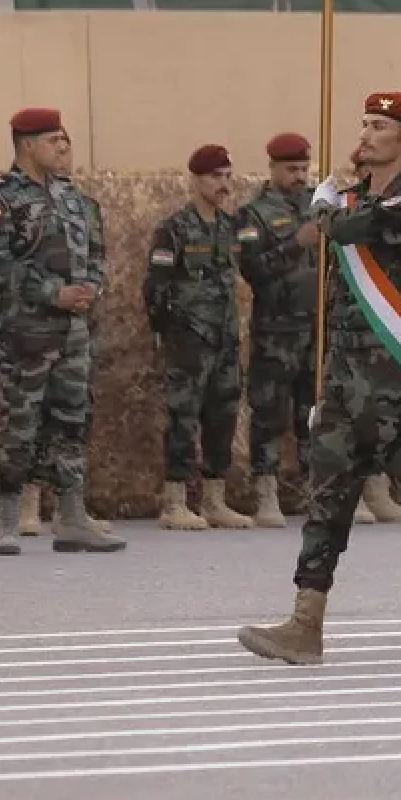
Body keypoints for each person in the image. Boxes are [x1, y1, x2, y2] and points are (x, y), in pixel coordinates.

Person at [239, 92, 401, 663]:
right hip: (344, 376)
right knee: (327, 499)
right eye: (364, 123)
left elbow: (349, 226)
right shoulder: (351, 196)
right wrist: (334, 197)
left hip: (392, 379)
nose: (366, 132)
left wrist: (328, 200)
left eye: (380, 125)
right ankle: (305, 623)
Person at [0, 107, 124, 555]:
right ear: (27, 146)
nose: (62, 147)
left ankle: (72, 516)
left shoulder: (74, 198)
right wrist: (51, 292)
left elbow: (96, 251)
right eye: (53, 140)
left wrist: (91, 287)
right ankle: (7, 518)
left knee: (73, 420)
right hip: (26, 331)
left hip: (74, 330)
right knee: (20, 422)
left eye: (63, 140)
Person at [145, 144, 257, 531]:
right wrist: (168, 332)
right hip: (189, 339)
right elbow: (155, 288)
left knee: (222, 414)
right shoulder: (174, 228)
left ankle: (214, 500)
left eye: (228, 176)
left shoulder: (231, 228)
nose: (223, 184)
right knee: (183, 417)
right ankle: (174, 500)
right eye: (215, 177)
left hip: (224, 338)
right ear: (196, 180)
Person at [240, 132, 323, 529]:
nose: (300, 176)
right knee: (270, 411)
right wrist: (295, 242)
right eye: (292, 169)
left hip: (315, 327)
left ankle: (314, 487)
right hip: (277, 328)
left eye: (304, 168)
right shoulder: (254, 214)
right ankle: (267, 489)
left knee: (314, 412)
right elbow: (253, 270)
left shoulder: (318, 208)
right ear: (272, 168)